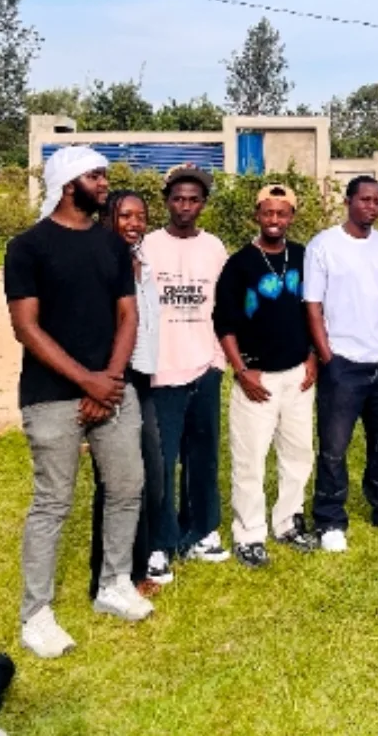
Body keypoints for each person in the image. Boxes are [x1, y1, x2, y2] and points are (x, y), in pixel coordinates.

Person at [5, 146, 151, 659]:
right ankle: (36, 615)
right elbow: (27, 328)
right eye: (96, 176)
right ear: (70, 185)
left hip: (112, 389)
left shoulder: (111, 245)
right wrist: (87, 383)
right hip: (50, 398)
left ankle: (114, 584)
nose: (105, 184)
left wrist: (108, 380)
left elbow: (128, 316)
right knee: (53, 503)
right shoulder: (28, 247)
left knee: (127, 487)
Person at [304, 176, 378, 553]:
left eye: (377, 201)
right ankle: (330, 519)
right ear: (348, 201)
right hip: (344, 361)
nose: (371, 206)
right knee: (334, 446)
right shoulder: (323, 245)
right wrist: (328, 356)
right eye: (365, 199)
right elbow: (313, 306)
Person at [214, 184, 318, 569]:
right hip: (256, 379)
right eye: (268, 212)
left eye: (282, 213)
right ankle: (249, 533)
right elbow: (224, 323)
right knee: (250, 461)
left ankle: (288, 522)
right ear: (257, 215)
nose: (275, 219)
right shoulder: (239, 263)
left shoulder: (304, 256)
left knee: (298, 454)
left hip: (298, 374)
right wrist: (242, 370)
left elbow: (315, 310)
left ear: (292, 217)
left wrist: (313, 357)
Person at [141, 163, 230, 574]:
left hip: (204, 369)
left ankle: (201, 531)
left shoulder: (214, 248)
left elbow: (223, 308)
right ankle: (160, 542)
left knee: (203, 457)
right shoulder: (146, 246)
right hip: (161, 372)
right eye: (178, 199)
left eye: (193, 200)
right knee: (160, 462)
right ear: (167, 202)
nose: (185, 206)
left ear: (203, 204)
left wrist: (217, 361)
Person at [88, 190, 165, 598]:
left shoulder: (141, 261)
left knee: (146, 475)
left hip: (141, 376)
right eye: (125, 216)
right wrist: (101, 382)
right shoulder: (99, 263)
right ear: (108, 218)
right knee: (115, 481)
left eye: (141, 216)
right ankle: (107, 577)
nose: (135, 223)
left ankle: (136, 565)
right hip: (112, 379)